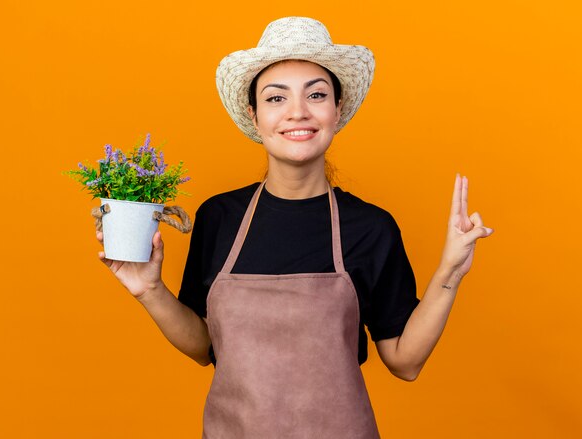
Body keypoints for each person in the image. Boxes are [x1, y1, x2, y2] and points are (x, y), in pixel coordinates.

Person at [95, 16, 493, 438]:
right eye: (275, 98)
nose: (297, 112)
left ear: (337, 111)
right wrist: (150, 290)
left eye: (316, 95)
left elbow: (405, 361)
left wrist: (450, 270)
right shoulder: (219, 218)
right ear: (254, 114)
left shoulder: (370, 228)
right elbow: (205, 346)